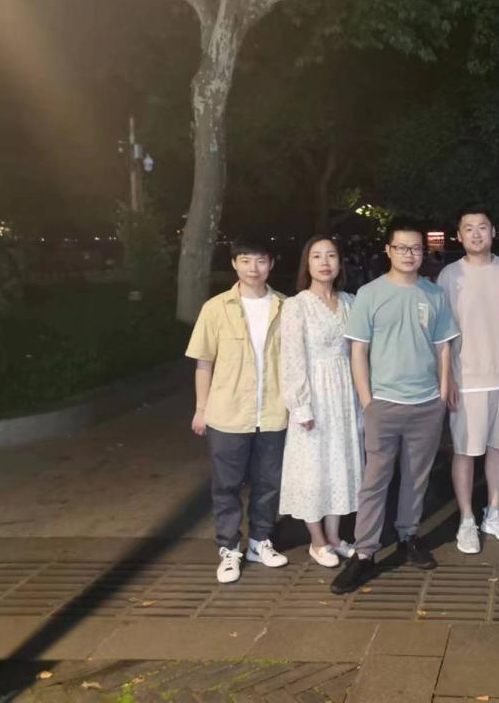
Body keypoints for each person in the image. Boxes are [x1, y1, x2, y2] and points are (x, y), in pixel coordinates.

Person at [330, 218, 459, 594]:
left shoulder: (434, 294)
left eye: (416, 248)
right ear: (388, 251)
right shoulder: (369, 293)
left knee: (417, 477)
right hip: (383, 403)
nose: (409, 254)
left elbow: (443, 347)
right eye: (401, 247)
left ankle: (408, 536)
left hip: (426, 404)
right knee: (375, 481)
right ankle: (365, 552)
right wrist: (367, 400)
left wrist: (442, 393)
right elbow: (358, 350)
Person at [185, 237, 289, 584]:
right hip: (227, 413)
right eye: (245, 260)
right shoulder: (216, 308)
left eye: (260, 261)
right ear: (234, 264)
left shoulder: (286, 307)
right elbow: (204, 363)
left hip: (273, 411)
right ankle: (229, 548)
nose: (253, 268)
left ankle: (260, 541)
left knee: (269, 483)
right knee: (226, 486)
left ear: (271, 264)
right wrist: (201, 408)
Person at [437, 205, 499, 554]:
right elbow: (442, 334)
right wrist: (447, 379)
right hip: (466, 378)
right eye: (468, 228)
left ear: (493, 231)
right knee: (465, 452)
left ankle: (494, 512)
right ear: (459, 235)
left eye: (482, 227)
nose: (476, 233)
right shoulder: (449, 275)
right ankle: (467, 519)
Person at [279, 235, 363, 569]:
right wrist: (300, 405)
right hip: (314, 393)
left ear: (340, 262)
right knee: (314, 467)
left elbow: (359, 352)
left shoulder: (350, 302)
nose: (325, 262)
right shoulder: (296, 305)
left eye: (331, 255)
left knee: (339, 464)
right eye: (317, 256)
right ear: (307, 264)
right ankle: (317, 541)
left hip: (345, 393)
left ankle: (335, 536)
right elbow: (291, 358)